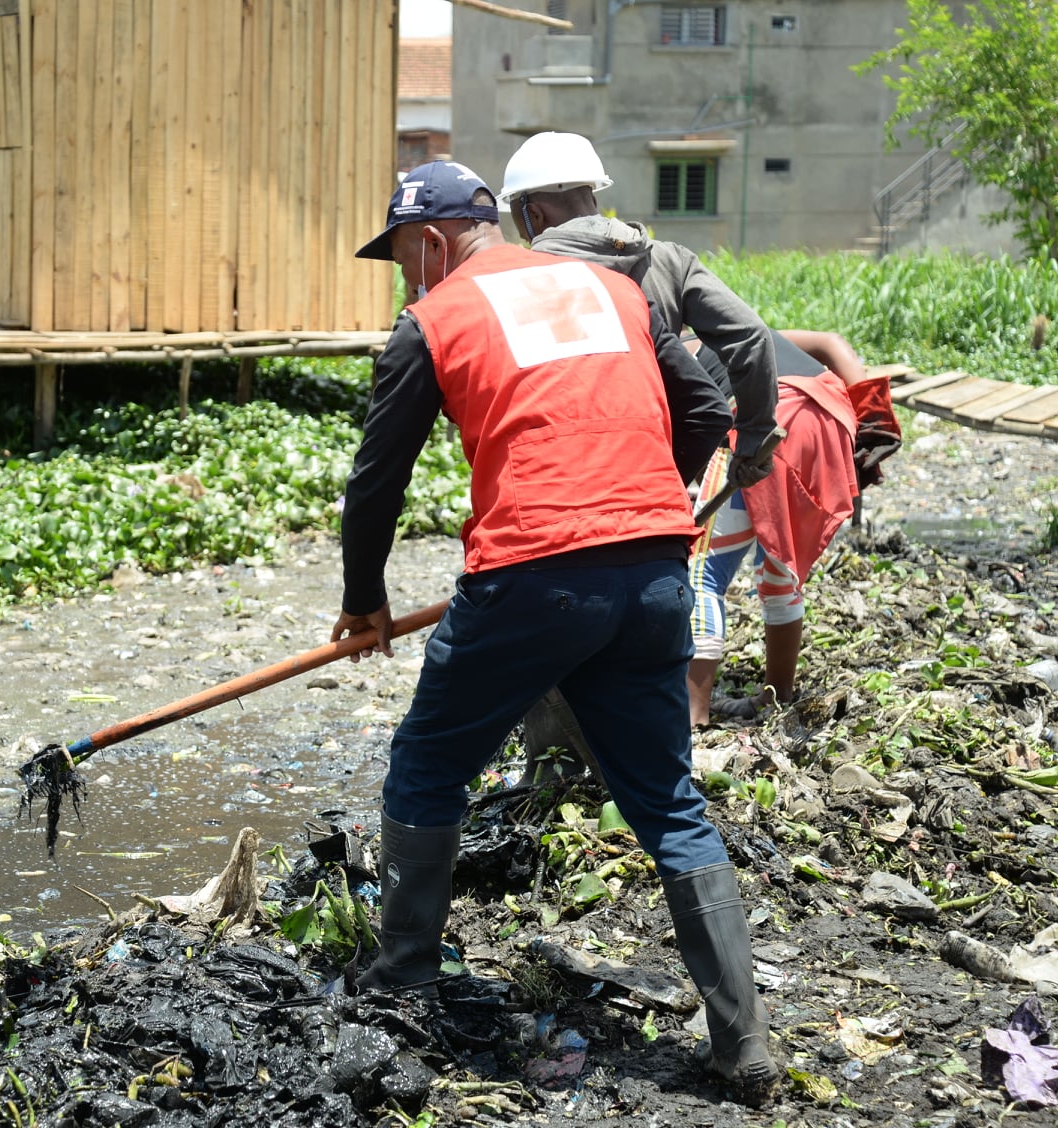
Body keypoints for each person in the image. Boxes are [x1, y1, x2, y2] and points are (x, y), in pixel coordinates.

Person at [332, 159, 778, 1106]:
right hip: (653, 570)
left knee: (428, 767)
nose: (403, 276)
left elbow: (378, 478)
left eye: (401, 256)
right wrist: (642, 504)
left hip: (532, 576)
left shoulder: (434, 317)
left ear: (431, 240)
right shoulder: (611, 289)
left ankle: (403, 979)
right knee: (667, 801)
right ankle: (742, 1043)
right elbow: (706, 407)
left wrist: (364, 597)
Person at [497, 132, 782, 492]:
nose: (523, 238)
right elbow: (750, 336)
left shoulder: (524, 278)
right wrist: (754, 437)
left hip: (570, 473)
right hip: (656, 461)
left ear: (533, 214)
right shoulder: (669, 260)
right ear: (592, 195)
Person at [685, 329, 872, 724]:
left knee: (702, 574)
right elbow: (832, 342)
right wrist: (875, 417)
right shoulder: (740, 330)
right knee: (779, 574)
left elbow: (692, 439)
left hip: (764, 424)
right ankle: (777, 695)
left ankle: (692, 715)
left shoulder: (665, 354)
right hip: (831, 419)